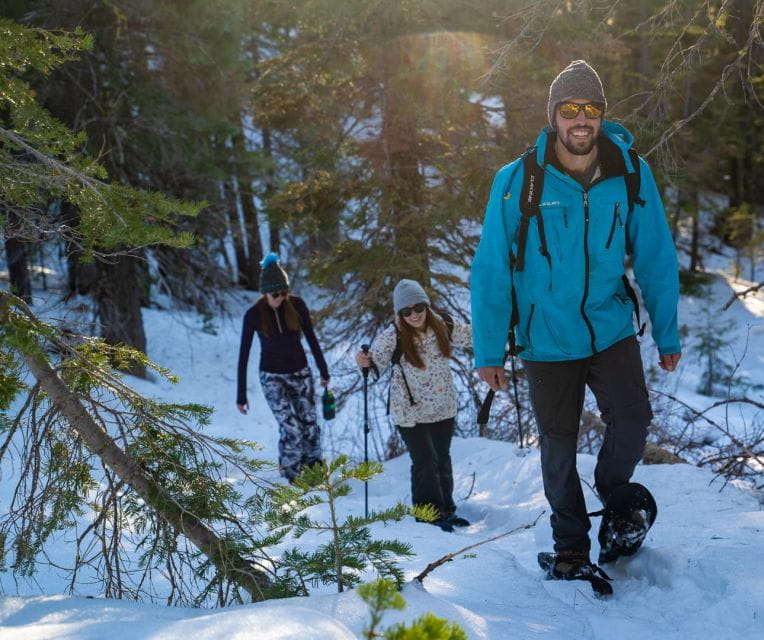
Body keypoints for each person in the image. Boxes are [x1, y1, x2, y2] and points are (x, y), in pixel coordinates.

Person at [470, 60, 681, 590]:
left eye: (591, 108)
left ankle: (615, 498)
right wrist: (489, 350)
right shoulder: (517, 181)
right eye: (569, 109)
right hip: (546, 336)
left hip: (610, 326)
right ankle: (570, 549)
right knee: (558, 448)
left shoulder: (629, 172)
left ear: (601, 114)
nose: (581, 119)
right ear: (554, 116)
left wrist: (667, 331)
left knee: (633, 420)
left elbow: (655, 254)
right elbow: (492, 268)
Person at [355, 279, 473, 532]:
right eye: (406, 311)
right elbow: (374, 366)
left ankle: (446, 510)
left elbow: (472, 336)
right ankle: (427, 514)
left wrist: (498, 329)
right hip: (409, 411)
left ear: (426, 306)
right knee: (425, 461)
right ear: (400, 313)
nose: (414, 315)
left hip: (442, 406)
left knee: (442, 458)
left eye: (418, 308)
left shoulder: (444, 323)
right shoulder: (393, 334)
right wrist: (363, 361)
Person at [237, 253, 330, 483]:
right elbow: (243, 355)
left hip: (300, 373)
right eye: (275, 294)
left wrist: (323, 371)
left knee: (309, 423)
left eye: (283, 292)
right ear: (265, 293)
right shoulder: (253, 315)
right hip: (272, 378)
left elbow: (311, 338)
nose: (280, 298)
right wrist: (241, 395)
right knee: (291, 427)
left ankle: (314, 468)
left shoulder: (297, 305)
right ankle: (291, 472)